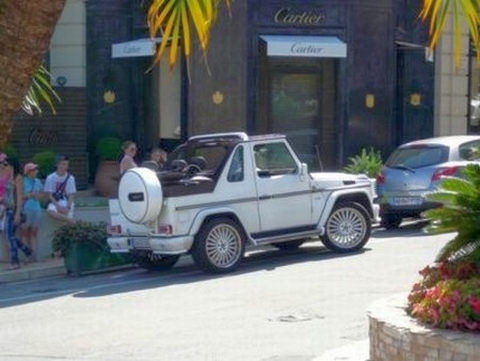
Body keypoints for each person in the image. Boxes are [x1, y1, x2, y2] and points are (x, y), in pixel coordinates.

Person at [0, 155, 33, 269]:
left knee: (9, 235)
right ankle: (27, 252)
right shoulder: (10, 177)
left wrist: (18, 213)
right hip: (8, 207)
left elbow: (19, 196)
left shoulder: (18, 178)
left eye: (6, 164)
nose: (4, 167)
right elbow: (7, 194)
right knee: (11, 235)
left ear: (11, 165)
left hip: (14, 209)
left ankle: (15, 261)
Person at [18, 162, 43, 260]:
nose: (35, 171)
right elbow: (19, 195)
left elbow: (42, 194)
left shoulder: (38, 181)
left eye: (36, 170)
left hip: (36, 208)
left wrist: (38, 196)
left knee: (34, 232)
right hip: (26, 208)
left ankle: (34, 254)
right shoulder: (23, 181)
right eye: (33, 170)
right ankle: (27, 255)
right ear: (28, 172)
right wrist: (28, 195)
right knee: (24, 232)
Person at [44, 155, 76, 224]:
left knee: (67, 215)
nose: (65, 167)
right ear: (57, 165)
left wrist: (68, 207)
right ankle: (71, 221)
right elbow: (49, 195)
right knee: (50, 211)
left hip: (66, 201)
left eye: (67, 164)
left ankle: (68, 220)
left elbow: (71, 195)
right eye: (63, 164)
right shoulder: (50, 178)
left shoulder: (71, 178)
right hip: (54, 201)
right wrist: (57, 206)